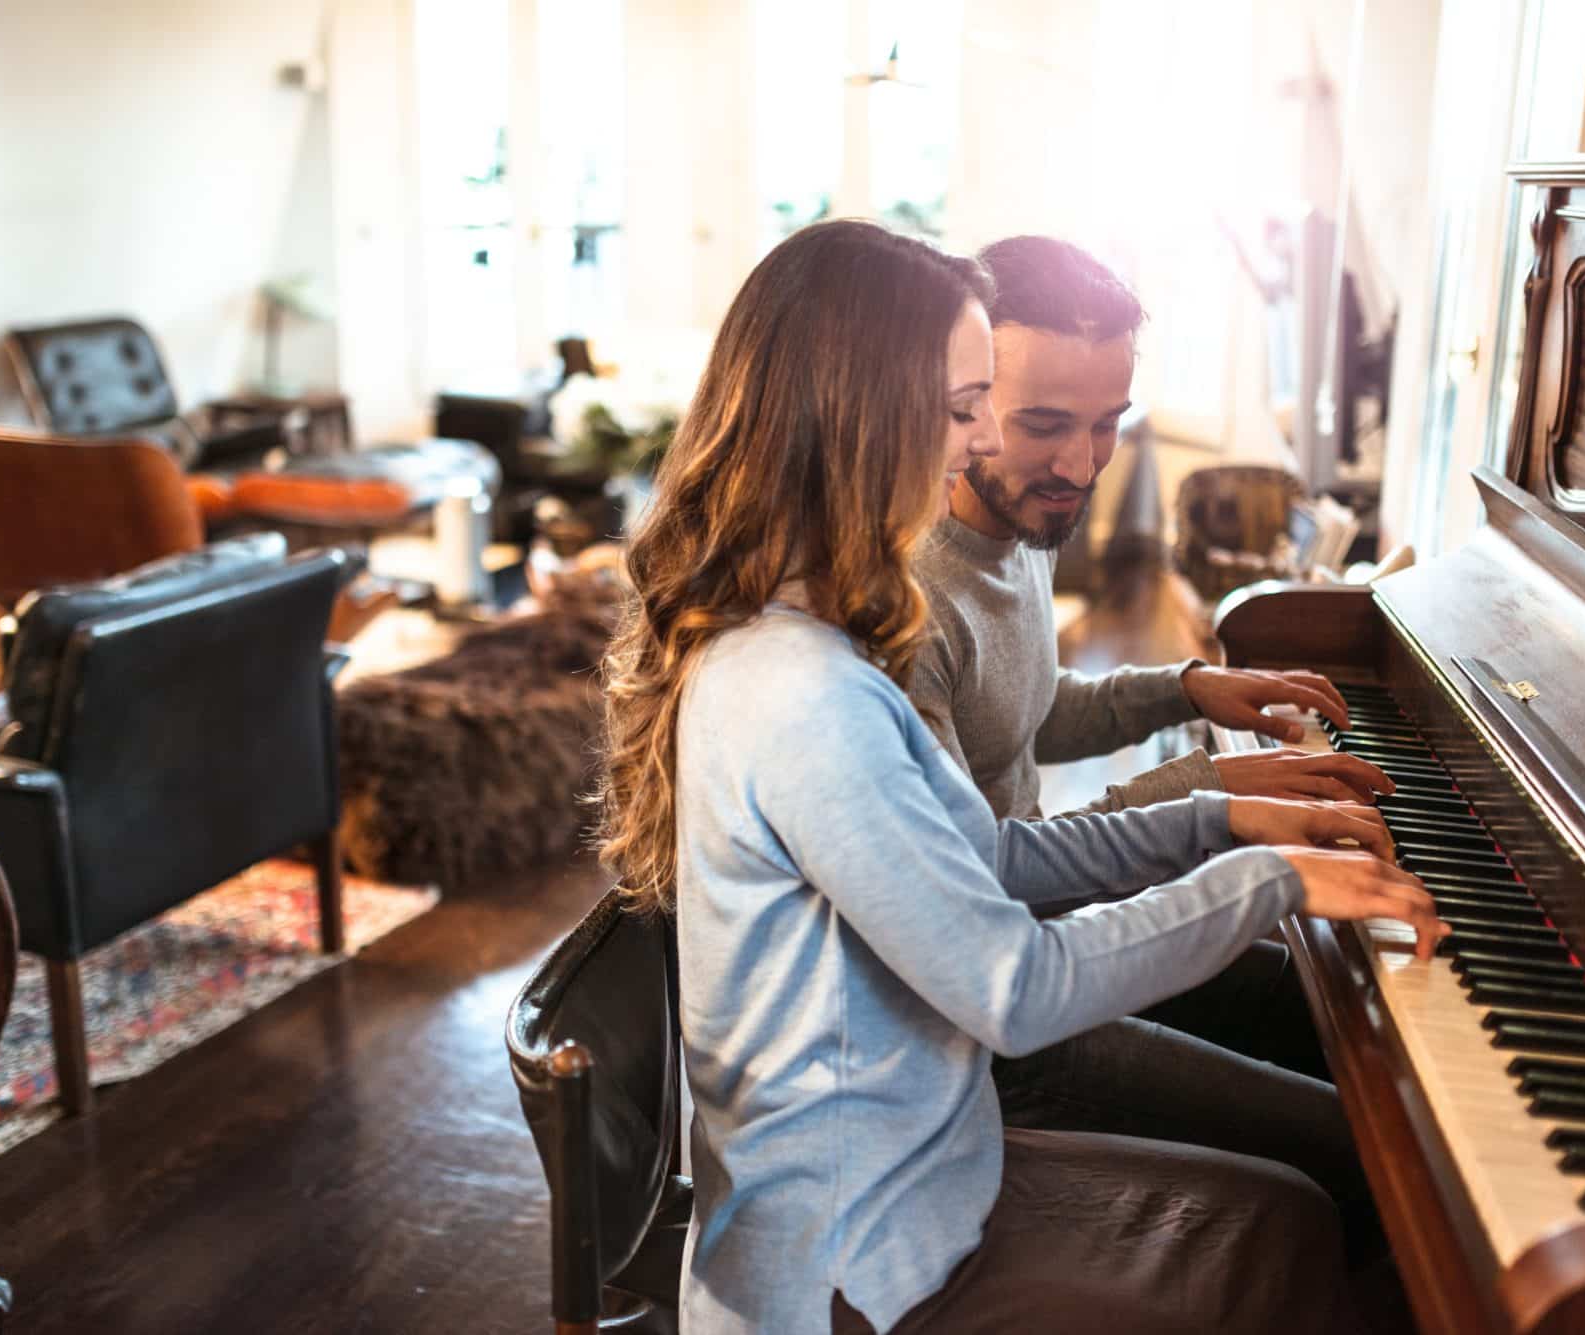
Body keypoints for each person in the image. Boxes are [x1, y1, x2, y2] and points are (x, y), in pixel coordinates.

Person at [596, 219, 1442, 1334]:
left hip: (929, 1176)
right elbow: (1013, 986)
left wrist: (1225, 818)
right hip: (856, 1262)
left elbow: (984, 854)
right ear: (859, 420)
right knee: (1301, 1221)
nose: (981, 439)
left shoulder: (812, 638)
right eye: (962, 409)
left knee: (1290, 1210)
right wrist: (1268, 879)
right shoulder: (804, 691)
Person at [908, 236, 1386, 1217]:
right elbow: (988, 867)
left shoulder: (1020, 525)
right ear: (956, 400)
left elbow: (1024, 714)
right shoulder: (908, 605)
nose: (1080, 464)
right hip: (986, 1033)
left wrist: (1186, 690)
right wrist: (1218, 803)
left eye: (1106, 424)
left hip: (1046, 947)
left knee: (1338, 1019)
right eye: (1041, 424)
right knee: (1361, 1155)